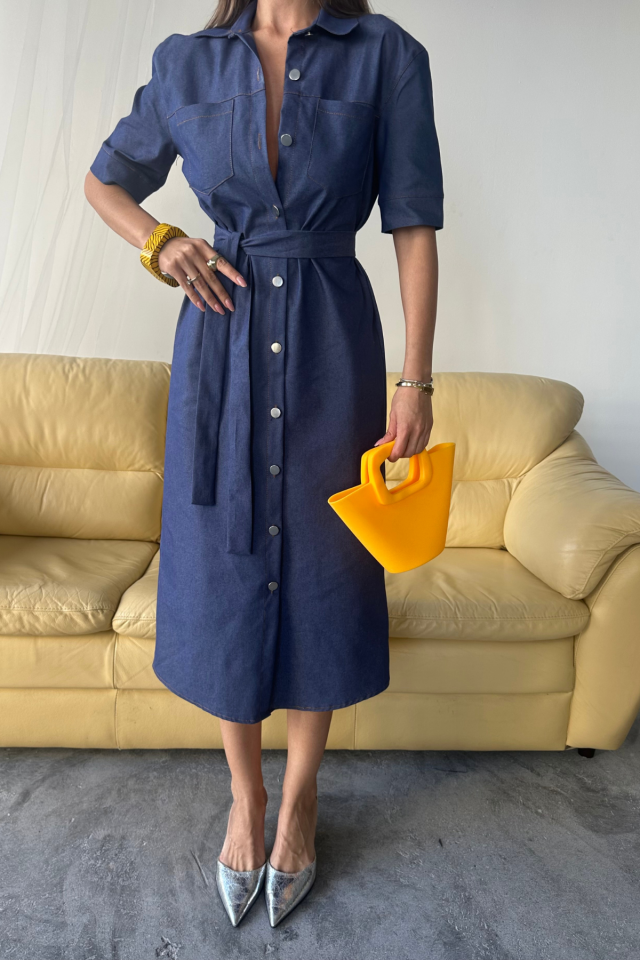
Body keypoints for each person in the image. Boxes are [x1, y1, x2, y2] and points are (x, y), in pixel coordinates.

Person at [85, 0, 442, 928]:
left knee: (327, 567)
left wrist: (415, 378)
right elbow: (105, 182)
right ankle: (246, 797)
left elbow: (413, 223)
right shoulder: (186, 62)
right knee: (225, 565)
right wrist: (162, 244)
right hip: (223, 342)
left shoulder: (387, 55)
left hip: (333, 343)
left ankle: (302, 797)